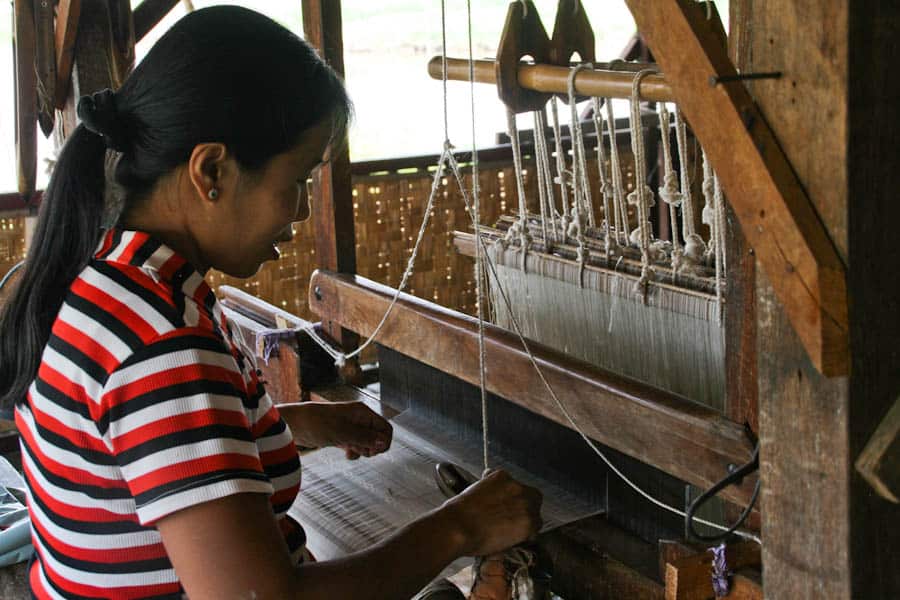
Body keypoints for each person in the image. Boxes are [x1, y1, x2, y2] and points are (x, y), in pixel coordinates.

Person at [0, 6, 542, 599]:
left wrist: (293, 427)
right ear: (212, 170)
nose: (303, 211)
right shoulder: (163, 343)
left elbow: (147, 450)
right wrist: (459, 527)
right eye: (299, 179)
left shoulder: (108, 275)